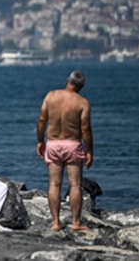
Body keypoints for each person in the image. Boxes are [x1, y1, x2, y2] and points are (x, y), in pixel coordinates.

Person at [36, 70, 94, 232]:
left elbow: (42, 120)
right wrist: (90, 151)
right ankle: (76, 222)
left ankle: (55, 223)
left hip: (53, 144)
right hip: (72, 145)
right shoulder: (82, 103)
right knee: (75, 184)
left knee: (54, 184)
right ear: (81, 87)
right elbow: (85, 129)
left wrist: (40, 141)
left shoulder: (51, 96)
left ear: (67, 80)